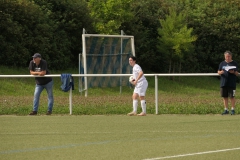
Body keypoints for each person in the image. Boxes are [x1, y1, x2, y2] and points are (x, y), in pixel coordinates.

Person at [218, 51, 238, 115]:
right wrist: (220, 72)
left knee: (232, 96)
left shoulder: (234, 63)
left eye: (229, 56)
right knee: (225, 96)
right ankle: (226, 109)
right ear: (224, 57)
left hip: (231, 83)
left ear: (231, 56)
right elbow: (218, 71)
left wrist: (233, 72)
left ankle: (233, 109)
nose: (227, 58)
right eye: (226, 56)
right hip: (223, 83)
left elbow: (237, 73)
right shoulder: (222, 63)